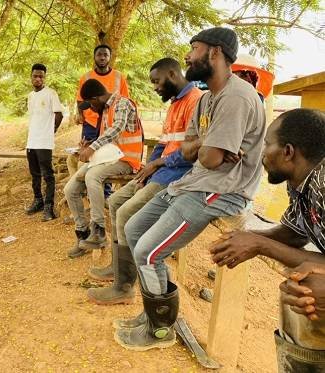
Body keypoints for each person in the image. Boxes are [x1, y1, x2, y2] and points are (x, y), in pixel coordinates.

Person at [114, 27, 266, 351]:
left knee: (148, 250)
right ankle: (153, 314)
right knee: (133, 228)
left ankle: (159, 330)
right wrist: (206, 145)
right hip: (194, 183)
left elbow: (210, 159)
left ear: (214, 53)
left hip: (221, 192)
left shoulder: (237, 97)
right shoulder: (207, 99)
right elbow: (188, 149)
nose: (187, 56)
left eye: (193, 48)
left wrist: (205, 147)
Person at [208, 108, 325, 371]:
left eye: (267, 144)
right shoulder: (300, 181)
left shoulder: (324, 184)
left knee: (307, 287)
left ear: (288, 152)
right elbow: (293, 232)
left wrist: (259, 244)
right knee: (300, 292)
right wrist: (247, 238)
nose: (262, 153)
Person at [86, 57, 201, 305]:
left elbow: (194, 151)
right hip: (159, 171)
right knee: (116, 201)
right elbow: (163, 143)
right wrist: (150, 167)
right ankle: (120, 270)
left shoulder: (196, 101)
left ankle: (124, 286)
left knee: (126, 213)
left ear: (172, 74)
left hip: (178, 175)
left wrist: (158, 164)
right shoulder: (173, 105)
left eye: (157, 81)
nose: (155, 87)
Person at [64, 79, 143, 259]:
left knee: (92, 176)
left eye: (91, 104)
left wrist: (92, 149)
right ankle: (83, 235)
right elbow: (108, 140)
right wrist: (87, 146)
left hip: (126, 159)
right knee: (71, 189)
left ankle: (98, 231)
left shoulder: (122, 103)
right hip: (108, 158)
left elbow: (117, 129)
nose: (91, 108)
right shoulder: (105, 109)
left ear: (96, 98)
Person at [68, 44, 131, 176]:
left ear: (110, 58)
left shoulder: (119, 77)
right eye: (99, 55)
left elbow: (125, 99)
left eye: (105, 55)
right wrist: (80, 115)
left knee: (107, 157)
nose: (102, 58)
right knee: (85, 156)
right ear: (94, 57)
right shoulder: (85, 77)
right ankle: (84, 187)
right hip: (90, 123)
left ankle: (105, 191)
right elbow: (80, 99)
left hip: (110, 123)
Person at [25, 63, 64, 221]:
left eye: (41, 76)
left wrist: (51, 130)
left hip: (44, 142)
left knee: (48, 175)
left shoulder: (51, 93)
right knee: (34, 174)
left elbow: (59, 115)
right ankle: (38, 200)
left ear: (44, 77)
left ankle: (49, 207)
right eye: (35, 76)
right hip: (31, 141)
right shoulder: (30, 96)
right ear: (31, 77)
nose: (38, 79)